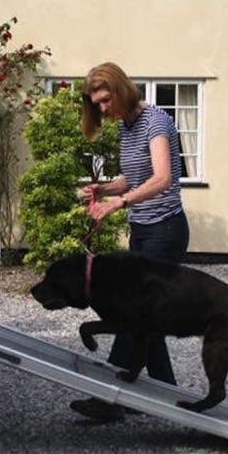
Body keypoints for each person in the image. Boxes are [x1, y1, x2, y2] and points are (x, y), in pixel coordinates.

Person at [71, 62, 190, 421]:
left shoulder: (156, 121)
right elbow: (133, 178)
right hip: (142, 229)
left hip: (165, 231)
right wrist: (105, 188)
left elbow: (162, 179)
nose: (103, 109)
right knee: (146, 317)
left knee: (133, 311)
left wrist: (118, 204)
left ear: (121, 90)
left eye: (106, 100)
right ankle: (168, 391)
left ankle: (110, 399)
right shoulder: (126, 128)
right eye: (97, 104)